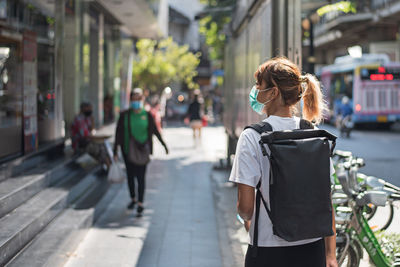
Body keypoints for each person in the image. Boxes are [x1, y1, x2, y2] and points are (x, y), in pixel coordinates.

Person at [229, 57, 337, 267]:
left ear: (274, 92)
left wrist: (248, 222)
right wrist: (330, 255)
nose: (256, 91)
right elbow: (326, 200)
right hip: (312, 249)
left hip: (268, 252)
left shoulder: (252, 136)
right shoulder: (313, 133)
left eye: (259, 86)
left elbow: (245, 209)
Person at [113, 88, 169, 216]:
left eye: (138, 99)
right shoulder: (125, 115)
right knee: (130, 177)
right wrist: (115, 150)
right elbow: (118, 134)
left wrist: (164, 145)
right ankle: (133, 198)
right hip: (127, 151)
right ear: (130, 100)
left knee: (141, 177)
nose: (136, 102)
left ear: (142, 100)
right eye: (134, 99)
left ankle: (140, 203)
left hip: (143, 151)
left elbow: (155, 131)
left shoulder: (147, 115)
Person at [71, 102, 111, 169]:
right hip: (80, 144)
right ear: (83, 109)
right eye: (88, 109)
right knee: (101, 149)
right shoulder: (79, 119)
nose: (90, 111)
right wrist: (101, 137)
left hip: (86, 142)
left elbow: (91, 130)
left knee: (103, 147)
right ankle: (108, 168)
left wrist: (92, 121)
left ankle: (107, 167)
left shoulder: (87, 118)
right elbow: (86, 135)